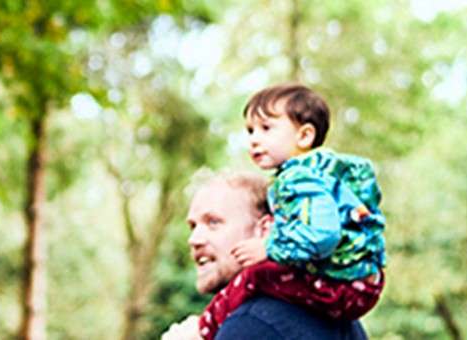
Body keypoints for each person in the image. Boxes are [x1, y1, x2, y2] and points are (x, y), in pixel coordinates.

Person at [197, 84, 387, 339]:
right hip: (358, 283)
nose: (254, 139)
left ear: (305, 136)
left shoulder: (298, 178)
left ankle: (204, 329)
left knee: (254, 276)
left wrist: (270, 247)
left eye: (266, 128)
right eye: (250, 130)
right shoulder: (322, 175)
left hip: (342, 284)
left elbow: (324, 235)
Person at [161, 171, 367, 339]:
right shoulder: (336, 311)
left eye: (213, 222)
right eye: (192, 226)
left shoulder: (251, 324)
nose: (194, 239)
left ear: (265, 230)